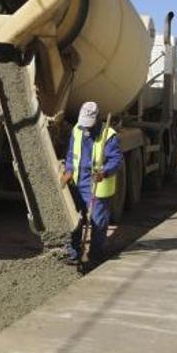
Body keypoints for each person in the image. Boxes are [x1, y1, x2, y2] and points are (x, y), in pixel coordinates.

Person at [61, 101, 123, 266]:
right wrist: (68, 170)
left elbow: (116, 159)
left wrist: (104, 171)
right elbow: (70, 154)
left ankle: (95, 255)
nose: (86, 128)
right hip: (77, 181)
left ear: (97, 119)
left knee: (97, 221)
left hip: (96, 184)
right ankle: (73, 252)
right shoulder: (77, 129)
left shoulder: (108, 135)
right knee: (74, 219)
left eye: (89, 124)